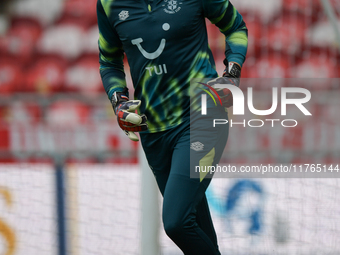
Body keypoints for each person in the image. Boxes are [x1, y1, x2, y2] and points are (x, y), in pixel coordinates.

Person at [97, 0, 248, 254]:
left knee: (176, 222)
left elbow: (236, 27)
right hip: (154, 133)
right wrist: (118, 102)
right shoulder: (108, 4)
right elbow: (109, 61)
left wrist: (232, 74)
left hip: (203, 115)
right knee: (195, 227)